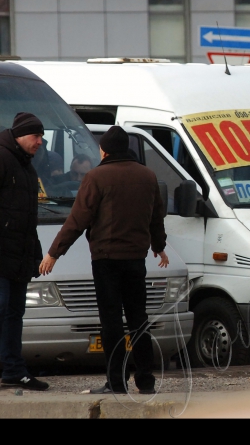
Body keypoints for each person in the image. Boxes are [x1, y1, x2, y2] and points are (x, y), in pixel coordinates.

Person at [38, 125, 169, 395]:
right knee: (138, 320)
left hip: (106, 259)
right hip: (136, 259)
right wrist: (159, 247)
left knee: (111, 322)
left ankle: (116, 383)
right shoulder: (148, 176)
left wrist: (54, 252)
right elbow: (156, 216)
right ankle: (146, 382)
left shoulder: (96, 177)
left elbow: (77, 220)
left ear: (105, 150)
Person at [0, 113, 50, 391]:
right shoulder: (3, 158)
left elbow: (28, 218)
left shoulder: (27, 166)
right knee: (4, 310)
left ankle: (13, 370)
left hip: (18, 254)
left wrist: (34, 254)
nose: (40, 142)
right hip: (3, 253)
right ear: (20, 135)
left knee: (14, 313)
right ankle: (12, 368)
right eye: (36, 136)